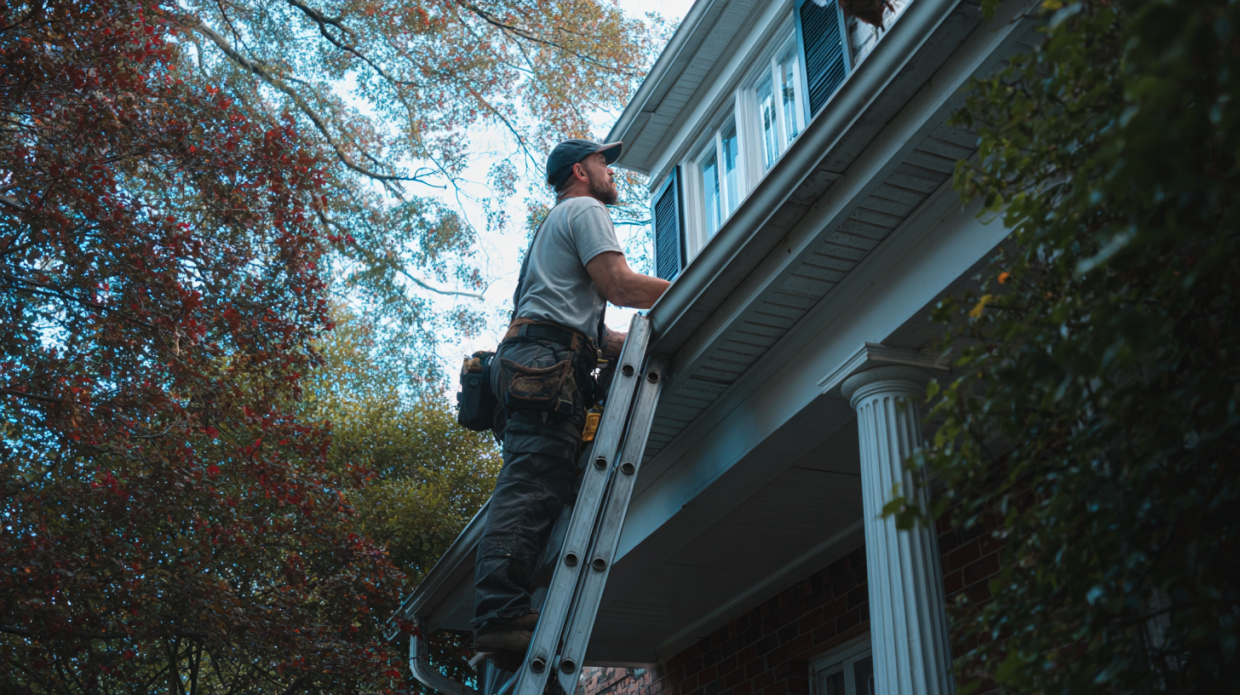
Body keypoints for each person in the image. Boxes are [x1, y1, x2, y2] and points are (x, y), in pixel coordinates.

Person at [472, 139, 670, 667]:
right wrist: (694, 288)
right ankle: (499, 613)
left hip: (540, 359)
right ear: (580, 171)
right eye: (606, 163)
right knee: (532, 483)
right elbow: (620, 285)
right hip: (543, 364)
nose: (612, 173)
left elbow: (585, 330)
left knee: (541, 481)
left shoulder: (553, 225)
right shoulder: (585, 209)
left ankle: (507, 617)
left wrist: (630, 343)